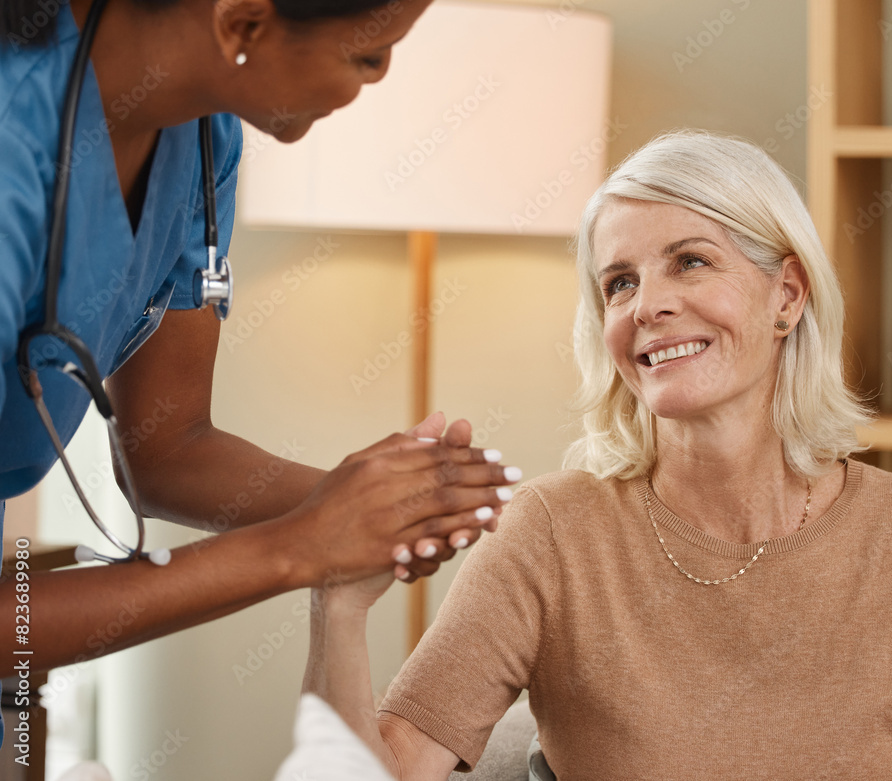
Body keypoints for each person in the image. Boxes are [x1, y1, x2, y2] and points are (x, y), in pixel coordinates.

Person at [305, 130, 892, 780]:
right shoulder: (552, 532)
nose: (647, 306)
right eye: (620, 283)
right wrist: (337, 600)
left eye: (690, 261)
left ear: (786, 295)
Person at [0, 0, 518, 690]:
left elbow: (167, 452)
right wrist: (299, 547)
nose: (380, 75)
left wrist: (376, 503)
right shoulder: (13, 141)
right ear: (241, 23)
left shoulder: (203, 136)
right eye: (367, 54)